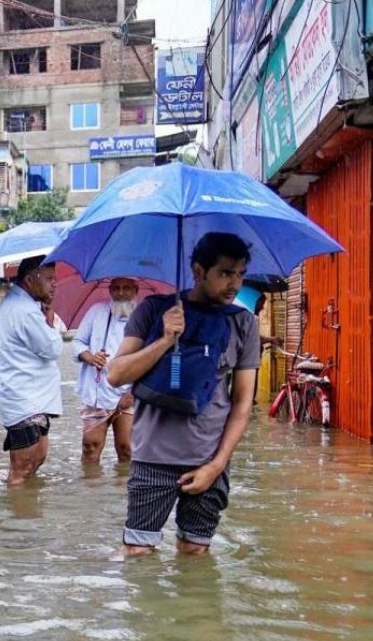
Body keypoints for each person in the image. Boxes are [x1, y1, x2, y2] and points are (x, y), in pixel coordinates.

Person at [109, 233, 260, 556]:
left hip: (208, 459)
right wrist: (164, 340)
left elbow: (242, 403)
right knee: (137, 555)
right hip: (152, 458)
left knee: (194, 554)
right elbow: (115, 374)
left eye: (240, 274)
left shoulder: (244, 324)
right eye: (225, 273)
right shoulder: (154, 310)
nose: (234, 283)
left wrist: (217, 465)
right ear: (198, 270)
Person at [0, 255, 63, 485]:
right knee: (21, 471)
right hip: (24, 401)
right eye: (49, 278)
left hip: (31, 400)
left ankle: (25, 516)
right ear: (30, 279)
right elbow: (52, 348)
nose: (55, 284)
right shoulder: (24, 310)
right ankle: (16, 517)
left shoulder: (21, 305)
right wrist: (50, 323)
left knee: (35, 460)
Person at [73, 277, 139, 464]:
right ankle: (91, 490)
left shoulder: (145, 316)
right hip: (97, 390)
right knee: (90, 446)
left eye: (126, 288)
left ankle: (125, 492)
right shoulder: (96, 311)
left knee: (127, 449)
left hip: (129, 393)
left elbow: (153, 360)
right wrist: (90, 357)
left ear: (136, 291)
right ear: (110, 291)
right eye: (116, 288)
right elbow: (78, 342)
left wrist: (134, 393)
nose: (121, 293)